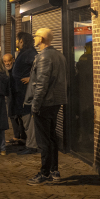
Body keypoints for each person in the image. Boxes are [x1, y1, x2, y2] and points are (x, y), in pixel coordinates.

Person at [26, 28, 67, 185]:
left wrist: (35, 105)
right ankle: (54, 170)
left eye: (36, 36)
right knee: (51, 137)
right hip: (55, 102)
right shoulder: (59, 55)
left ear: (41, 39)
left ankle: (44, 172)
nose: (34, 38)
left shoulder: (44, 57)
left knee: (43, 140)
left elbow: (41, 84)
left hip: (45, 102)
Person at [13, 32, 39, 155]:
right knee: (24, 119)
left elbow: (39, 68)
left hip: (26, 93)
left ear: (22, 41)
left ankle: (32, 145)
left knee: (28, 119)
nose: (16, 42)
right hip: (20, 93)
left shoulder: (30, 53)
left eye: (17, 40)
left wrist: (31, 78)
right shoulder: (24, 53)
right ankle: (28, 142)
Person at [3, 53, 25, 145]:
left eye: (9, 61)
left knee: (20, 117)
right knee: (12, 116)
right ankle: (16, 136)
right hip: (10, 96)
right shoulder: (4, 71)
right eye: (5, 61)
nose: (7, 63)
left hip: (18, 95)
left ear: (13, 60)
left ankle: (22, 137)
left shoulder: (17, 70)